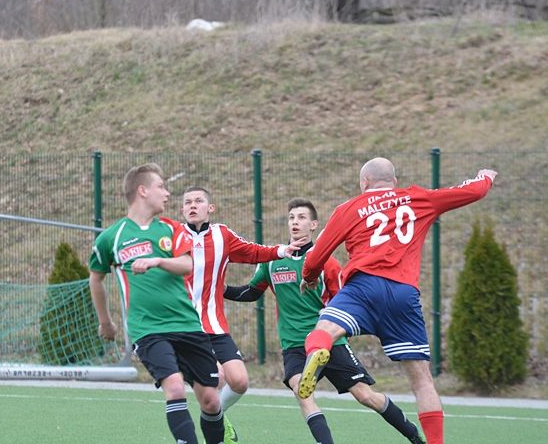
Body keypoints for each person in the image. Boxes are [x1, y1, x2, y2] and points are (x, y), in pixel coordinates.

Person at [299, 158, 497, 444]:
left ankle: (317, 353)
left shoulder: (349, 208)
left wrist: (309, 276)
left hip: (363, 287)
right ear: (393, 180)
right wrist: (485, 176)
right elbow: (470, 192)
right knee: (421, 381)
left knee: (325, 328)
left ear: (363, 182)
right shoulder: (417, 198)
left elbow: (317, 255)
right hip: (403, 293)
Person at [224, 197, 425, 444]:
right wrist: (218, 289)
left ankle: (413, 435)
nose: (295, 222)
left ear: (314, 225)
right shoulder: (272, 260)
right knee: (302, 393)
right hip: (294, 344)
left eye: (301, 218)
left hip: (329, 342)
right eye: (291, 218)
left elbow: (343, 302)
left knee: (364, 395)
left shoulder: (326, 262)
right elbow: (251, 293)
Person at [89, 164, 225, 444]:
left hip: (186, 323)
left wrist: (158, 260)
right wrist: (106, 321)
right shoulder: (110, 238)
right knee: (174, 388)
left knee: (211, 400)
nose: (167, 193)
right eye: (161, 186)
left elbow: (188, 264)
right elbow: (96, 278)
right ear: (143, 191)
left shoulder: (172, 229)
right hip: (148, 329)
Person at [180, 186, 301, 442]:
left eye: (198, 201)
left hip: (216, 326)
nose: (192, 205)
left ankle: (218, 417)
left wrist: (280, 251)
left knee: (240, 381)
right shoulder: (174, 237)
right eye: (188, 202)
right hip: (186, 328)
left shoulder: (222, 235)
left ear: (209, 208)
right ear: (182, 209)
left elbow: (252, 251)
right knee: (217, 379)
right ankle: (215, 429)